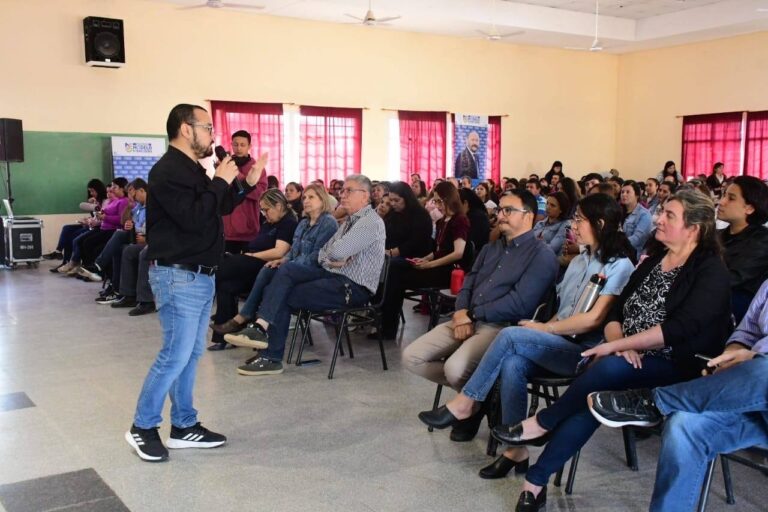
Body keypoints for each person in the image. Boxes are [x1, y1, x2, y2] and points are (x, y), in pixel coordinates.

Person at [489, 190, 731, 512]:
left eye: (668, 215)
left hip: (676, 364)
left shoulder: (710, 271)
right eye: (661, 212)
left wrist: (618, 346)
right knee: (594, 399)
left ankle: (544, 423)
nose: (658, 218)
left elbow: (679, 330)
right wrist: (619, 343)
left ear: (694, 229)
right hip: (627, 355)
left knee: (607, 370)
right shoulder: (655, 260)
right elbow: (616, 312)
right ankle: (535, 481)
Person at [419, 193, 636, 479]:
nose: (573, 225)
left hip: (585, 350)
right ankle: (515, 451)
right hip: (560, 340)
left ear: (600, 223)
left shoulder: (619, 265)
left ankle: (467, 402)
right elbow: (563, 311)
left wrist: (545, 329)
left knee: (510, 335)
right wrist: (543, 328)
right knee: (512, 363)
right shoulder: (578, 261)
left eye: (579, 220)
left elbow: (594, 319)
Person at [125, 103, 267, 462]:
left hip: (199, 274)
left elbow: (216, 207)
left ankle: (184, 425)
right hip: (178, 275)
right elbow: (193, 217)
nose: (213, 136)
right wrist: (220, 180)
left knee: (190, 354)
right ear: (186, 129)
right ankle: (142, 427)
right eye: (207, 128)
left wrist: (243, 185)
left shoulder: (191, 168)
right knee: (175, 354)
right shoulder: (168, 170)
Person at [587, 279, 768, 512]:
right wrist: (730, 358)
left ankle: (655, 401)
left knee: (763, 368)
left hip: (759, 377)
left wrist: (752, 359)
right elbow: (746, 332)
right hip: (747, 394)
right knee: (683, 423)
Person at [404, 190, 559, 441]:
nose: (500, 215)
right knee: (412, 357)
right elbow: (468, 283)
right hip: (467, 317)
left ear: (528, 216)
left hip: (500, 328)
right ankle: (480, 400)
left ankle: (469, 404)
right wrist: (460, 312)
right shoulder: (490, 248)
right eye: (499, 209)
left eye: (508, 210)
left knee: (455, 369)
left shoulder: (542, 255)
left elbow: (520, 303)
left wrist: (472, 315)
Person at [224, 174, 385, 376]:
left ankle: (268, 349)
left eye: (348, 191)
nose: (342, 195)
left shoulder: (370, 222)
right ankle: (264, 342)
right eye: (342, 190)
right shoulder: (349, 222)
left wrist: (332, 256)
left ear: (365, 195)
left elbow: (334, 252)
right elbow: (325, 254)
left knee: (283, 288)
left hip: (353, 288)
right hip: (334, 278)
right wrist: (332, 257)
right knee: (281, 278)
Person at [213, 184, 338, 340]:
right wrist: (283, 260)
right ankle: (237, 324)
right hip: (291, 267)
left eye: (311, 197)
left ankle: (245, 318)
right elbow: (293, 252)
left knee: (252, 265)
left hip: (312, 270)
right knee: (261, 270)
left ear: (322, 199)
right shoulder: (303, 223)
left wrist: (286, 263)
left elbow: (316, 256)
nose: (306, 201)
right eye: (305, 197)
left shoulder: (328, 223)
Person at [208, 189, 298, 350]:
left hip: (266, 267)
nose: (264, 214)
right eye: (262, 210)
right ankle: (224, 338)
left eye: (266, 209)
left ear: (278, 206)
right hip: (252, 264)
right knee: (226, 287)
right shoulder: (267, 224)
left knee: (223, 266)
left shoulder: (288, 223)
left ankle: (201, 279)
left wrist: (252, 256)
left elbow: (279, 252)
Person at [378, 182, 468, 340]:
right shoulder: (443, 221)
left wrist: (429, 264)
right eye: (435, 201)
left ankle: (387, 324)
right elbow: (439, 250)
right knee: (393, 269)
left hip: (448, 271)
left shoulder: (459, 220)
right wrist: (424, 259)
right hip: (436, 265)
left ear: (449, 200)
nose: (437, 205)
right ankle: (384, 320)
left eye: (439, 201)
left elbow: (458, 253)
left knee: (395, 273)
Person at [716, 176, 768, 322]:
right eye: (724, 195)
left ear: (749, 208)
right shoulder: (718, 235)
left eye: (731, 198)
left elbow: (729, 279)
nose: (721, 202)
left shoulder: (762, 241)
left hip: (737, 312)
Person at [222, 130, 269, 254]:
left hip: (248, 232)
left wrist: (238, 175)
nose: (238, 148)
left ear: (249, 146)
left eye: (242, 145)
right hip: (227, 231)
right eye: (235, 144)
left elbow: (261, 194)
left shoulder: (257, 168)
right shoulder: (225, 165)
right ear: (231, 145)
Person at [46, 179, 108, 263]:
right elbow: (94, 216)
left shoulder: (105, 202)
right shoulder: (95, 202)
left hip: (96, 227)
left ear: (99, 189)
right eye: (90, 191)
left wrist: (89, 220)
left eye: (92, 191)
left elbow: (101, 218)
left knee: (72, 236)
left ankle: (71, 262)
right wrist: (88, 219)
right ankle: (59, 252)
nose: (91, 193)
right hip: (90, 224)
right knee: (66, 228)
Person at [383, 182, 432, 260]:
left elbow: (416, 242)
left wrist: (391, 252)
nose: (392, 203)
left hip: (413, 257)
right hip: (392, 253)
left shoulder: (421, 215)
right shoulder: (393, 212)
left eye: (396, 200)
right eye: (391, 200)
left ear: (407, 198)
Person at [620, 180, 653, 256]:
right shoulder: (619, 211)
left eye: (628, 192)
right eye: (622, 192)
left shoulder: (644, 214)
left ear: (637, 195)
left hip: (633, 254)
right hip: (619, 250)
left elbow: (636, 239)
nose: (624, 194)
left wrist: (615, 245)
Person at [458, 188, 491, 253]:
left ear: (465, 203)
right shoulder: (469, 214)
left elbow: (471, 242)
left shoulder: (477, 217)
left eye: (455, 204)